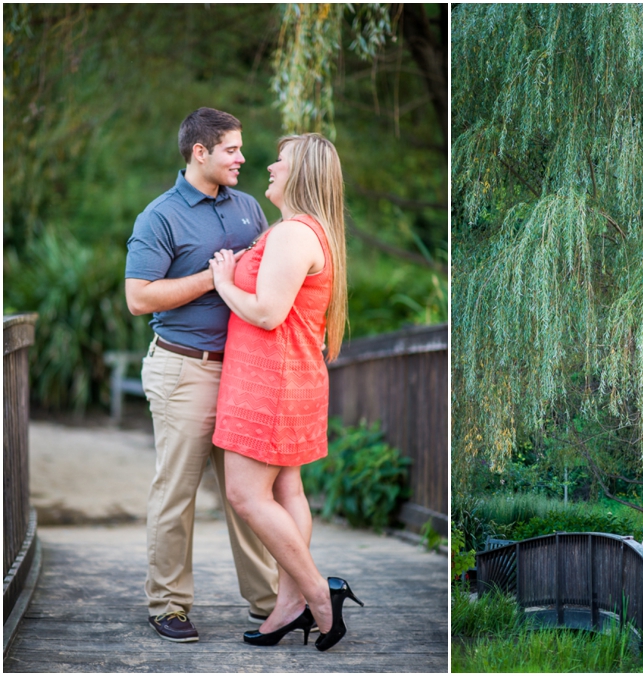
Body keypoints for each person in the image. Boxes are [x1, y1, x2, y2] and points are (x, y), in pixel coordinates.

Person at [125, 107, 279, 643]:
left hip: (241, 371)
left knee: (248, 493)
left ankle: (269, 603)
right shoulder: (159, 217)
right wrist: (212, 280)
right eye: (233, 149)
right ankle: (168, 605)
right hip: (183, 370)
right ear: (200, 152)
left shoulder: (249, 207)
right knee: (177, 493)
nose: (243, 158)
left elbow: (262, 278)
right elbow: (139, 298)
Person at [207, 132, 362, 652]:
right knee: (286, 491)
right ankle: (287, 607)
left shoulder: (295, 234)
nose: (271, 166)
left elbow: (268, 313)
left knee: (245, 495)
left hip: (273, 381)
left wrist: (225, 282)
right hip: (284, 377)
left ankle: (319, 596)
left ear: (304, 175)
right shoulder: (301, 230)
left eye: (283, 160)